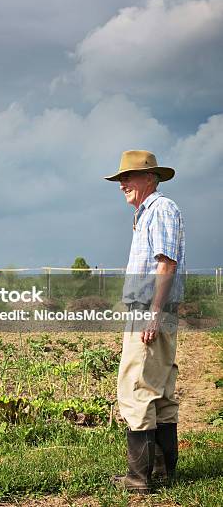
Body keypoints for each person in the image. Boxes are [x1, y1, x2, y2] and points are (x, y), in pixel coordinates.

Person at [104, 150, 185, 494]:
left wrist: (152, 314)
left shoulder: (160, 209)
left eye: (128, 176)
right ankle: (163, 474)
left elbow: (166, 265)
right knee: (160, 392)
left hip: (150, 311)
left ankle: (138, 480)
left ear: (150, 178)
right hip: (155, 310)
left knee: (136, 390)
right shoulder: (146, 213)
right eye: (121, 177)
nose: (122, 183)